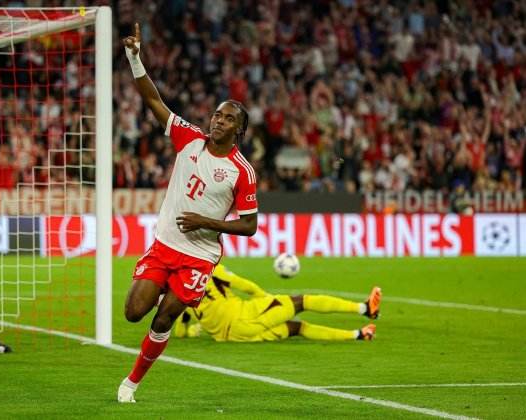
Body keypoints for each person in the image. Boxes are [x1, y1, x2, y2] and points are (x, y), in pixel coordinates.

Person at [118, 23, 258, 403]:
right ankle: (159, 284)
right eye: (216, 115)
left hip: (199, 256)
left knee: (163, 319)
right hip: (165, 244)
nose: (218, 121)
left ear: (239, 129)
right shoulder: (189, 138)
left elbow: (250, 225)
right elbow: (153, 101)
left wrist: (205, 223)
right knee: (134, 312)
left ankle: (131, 384)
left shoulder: (241, 171)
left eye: (228, 119)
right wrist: (134, 58)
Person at [173, 264, 381, 342]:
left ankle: (358, 335)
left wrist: (193, 330)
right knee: (302, 301)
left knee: (297, 328)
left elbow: (180, 333)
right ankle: (364, 308)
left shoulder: (182, 295)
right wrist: (265, 298)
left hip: (234, 337)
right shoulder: (209, 270)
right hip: (245, 315)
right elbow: (245, 286)